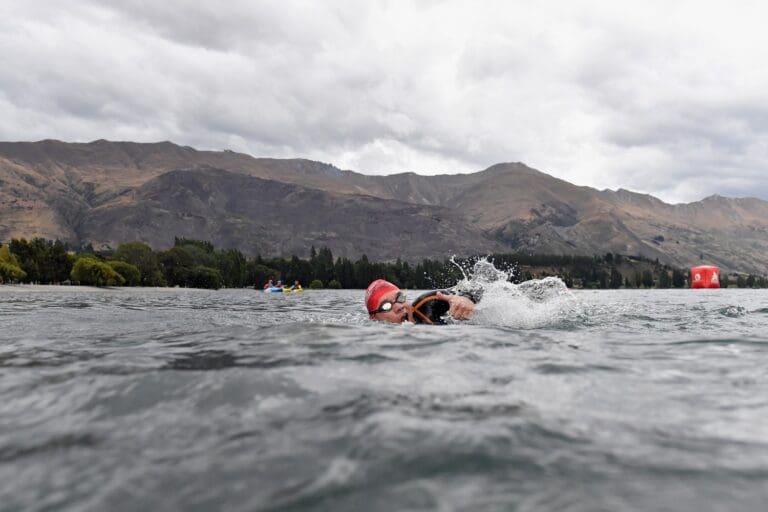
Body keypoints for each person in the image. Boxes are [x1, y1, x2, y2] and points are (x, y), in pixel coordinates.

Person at [365, 279, 476, 324]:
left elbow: (476, 287)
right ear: (373, 317)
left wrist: (464, 298)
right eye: (386, 306)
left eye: (400, 298)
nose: (399, 307)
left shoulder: (428, 304)